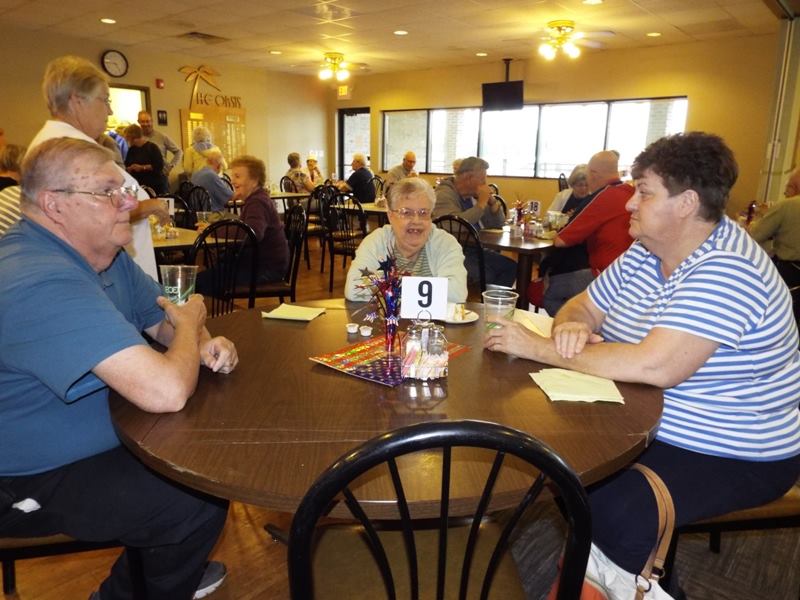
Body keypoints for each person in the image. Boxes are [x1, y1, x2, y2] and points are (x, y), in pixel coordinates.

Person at [485, 131, 800, 598]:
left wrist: (541, 347)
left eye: (645, 192)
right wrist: (572, 325)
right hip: (646, 419)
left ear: (686, 203)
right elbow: (583, 304)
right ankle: (636, 580)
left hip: (733, 448)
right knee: (570, 473)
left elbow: (657, 367)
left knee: (612, 509)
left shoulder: (729, 268)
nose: (630, 203)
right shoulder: (648, 250)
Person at [0, 137, 238, 600]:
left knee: (204, 463)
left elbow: (164, 320)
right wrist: (192, 326)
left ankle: (163, 571)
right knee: (192, 496)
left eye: (126, 188)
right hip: (24, 477)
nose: (131, 202)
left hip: (112, 432)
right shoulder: (37, 278)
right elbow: (167, 389)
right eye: (109, 192)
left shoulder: (104, 255)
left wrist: (201, 343)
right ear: (54, 204)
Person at [29, 55, 166, 280]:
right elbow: (95, 215)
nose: (109, 111)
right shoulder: (68, 150)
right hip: (104, 278)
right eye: (105, 100)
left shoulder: (63, 142)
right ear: (77, 101)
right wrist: (149, 206)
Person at [345, 177, 467, 303]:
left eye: (423, 212)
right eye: (406, 212)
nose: (416, 220)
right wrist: (431, 289)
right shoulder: (376, 241)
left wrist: (386, 284)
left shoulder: (446, 244)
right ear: (390, 216)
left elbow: (457, 294)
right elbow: (354, 289)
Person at [433, 156, 516, 288]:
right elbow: (455, 225)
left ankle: (490, 300)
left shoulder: (473, 196)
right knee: (489, 274)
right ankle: (480, 298)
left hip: (474, 249)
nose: (485, 184)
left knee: (511, 267)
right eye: (482, 179)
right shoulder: (444, 193)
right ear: (468, 177)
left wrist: (493, 203)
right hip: (451, 252)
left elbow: (498, 224)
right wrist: (481, 204)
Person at [553, 150, 634, 276]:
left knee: (553, 280)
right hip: (632, 269)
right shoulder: (631, 192)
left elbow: (560, 241)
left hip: (605, 273)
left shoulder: (601, 197)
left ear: (593, 174)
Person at [538, 164, 596, 315]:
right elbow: (546, 220)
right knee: (550, 261)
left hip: (580, 251)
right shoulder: (563, 196)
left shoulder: (593, 200)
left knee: (552, 292)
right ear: (573, 184)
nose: (583, 189)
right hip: (558, 246)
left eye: (586, 185)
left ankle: (568, 315)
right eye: (579, 185)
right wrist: (562, 219)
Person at [229, 155, 288, 282]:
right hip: (262, 263)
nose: (232, 181)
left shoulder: (257, 202)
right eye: (232, 176)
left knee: (200, 281)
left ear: (254, 181)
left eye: (237, 176)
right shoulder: (256, 199)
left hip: (266, 268)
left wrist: (212, 231)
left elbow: (253, 232)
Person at [749, 168, 800, 292]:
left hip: (788, 273)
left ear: (795, 187)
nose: (784, 192)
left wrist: (754, 222)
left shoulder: (787, 205)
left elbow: (755, 235)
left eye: (788, 187)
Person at [124, 123, 168, 195]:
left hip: (154, 186)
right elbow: (127, 165)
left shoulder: (152, 147)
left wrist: (142, 167)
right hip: (138, 186)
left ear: (132, 137)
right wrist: (130, 168)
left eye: (127, 138)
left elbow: (159, 166)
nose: (126, 140)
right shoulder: (132, 149)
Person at [138, 110, 182, 178]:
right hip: (142, 177)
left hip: (160, 176)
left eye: (147, 121)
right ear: (138, 122)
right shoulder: (137, 138)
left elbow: (179, 152)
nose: (145, 124)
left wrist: (170, 166)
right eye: (143, 121)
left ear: (152, 121)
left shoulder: (162, 136)